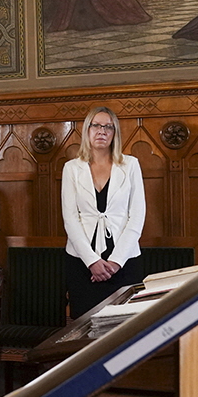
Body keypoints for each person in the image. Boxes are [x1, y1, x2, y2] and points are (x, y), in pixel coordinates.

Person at [61, 107, 146, 319]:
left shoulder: (130, 165)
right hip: (83, 262)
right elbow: (70, 219)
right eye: (96, 126)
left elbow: (137, 216)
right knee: (85, 328)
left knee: (124, 327)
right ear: (87, 131)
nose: (102, 131)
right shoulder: (71, 168)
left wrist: (116, 261)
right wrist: (92, 262)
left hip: (124, 260)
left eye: (108, 127)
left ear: (115, 132)